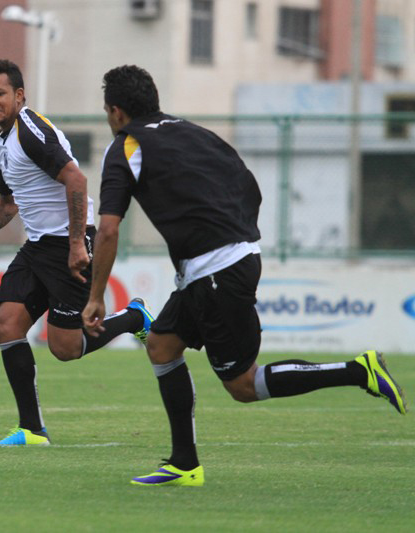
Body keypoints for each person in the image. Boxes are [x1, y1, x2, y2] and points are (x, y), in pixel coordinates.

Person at [82, 64, 408, 486]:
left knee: (243, 384)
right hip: (224, 260)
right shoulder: (196, 133)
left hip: (215, 269)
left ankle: (357, 370)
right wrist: (234, 236)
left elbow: (108, 228)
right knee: (162, 346)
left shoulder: (126, 146)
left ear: (117, 112)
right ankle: (184, 464)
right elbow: (248, 185)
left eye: (108, 113)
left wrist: (95, 296)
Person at [0, 59, 153, 446]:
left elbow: (76, 179)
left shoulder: (30, 129)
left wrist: (78, 242)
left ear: (19, 95)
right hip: (39, 247)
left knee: (66, 348)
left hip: (68, 242)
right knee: (6, 325)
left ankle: (134, 317)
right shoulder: (0, 144)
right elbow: (9, 204)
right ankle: (31, 430)